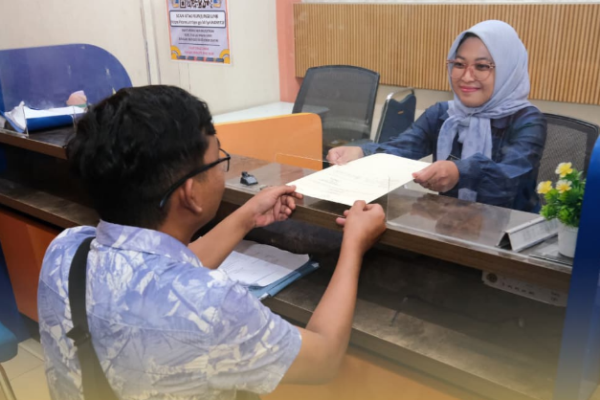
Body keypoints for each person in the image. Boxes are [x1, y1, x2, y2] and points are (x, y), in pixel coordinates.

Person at [38, 85, 386, 400]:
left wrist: (247, 216)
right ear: (191, 194)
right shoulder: (213, 305)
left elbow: (155, 275)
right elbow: (323, 358)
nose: (223, 170)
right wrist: (353, 244)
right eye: (219, 160)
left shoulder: (66, 249)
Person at [328, 20, 547, 212]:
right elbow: (402, 148)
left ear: (509, 70)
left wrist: (460, 171)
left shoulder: (528, 120)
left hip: (510, 233)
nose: (466, 76)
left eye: (481, 66)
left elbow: (509, 180)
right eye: (459, 64)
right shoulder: (444, 114)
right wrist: (361, 152)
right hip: (450, 223)